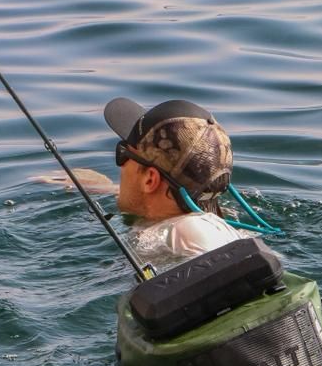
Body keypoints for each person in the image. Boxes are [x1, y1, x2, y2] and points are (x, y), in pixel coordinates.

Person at [102, 97, 246, 259]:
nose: (121, 166)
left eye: (122, 154)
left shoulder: (189, 233)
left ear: (150, 179)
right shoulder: (226, 230)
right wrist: (99, 186)